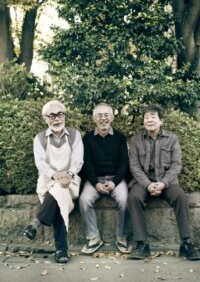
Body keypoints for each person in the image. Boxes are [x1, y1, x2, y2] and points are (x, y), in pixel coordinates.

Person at [128, 104, 200, 260]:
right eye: (147, 117)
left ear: (161, 121)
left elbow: (176, 164)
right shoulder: (135, 141)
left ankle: (186, 243)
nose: (149, 120)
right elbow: (134, 167)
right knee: (134, 197)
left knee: (180, 196)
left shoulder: (172, 139)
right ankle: (141, 244)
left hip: (167, 181)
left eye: (153, 117)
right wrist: (148, 184)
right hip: (143, 181)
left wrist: (163, 183)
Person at [24, 100, 83, 263]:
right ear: (45, 119)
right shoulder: (40, 138)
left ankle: (37, 222)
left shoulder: (75, 135)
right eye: (52, 116)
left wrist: (69, 174)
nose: (57, 119)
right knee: (59, 196)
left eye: (60, 114)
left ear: (64, 116)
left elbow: (78, 160)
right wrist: (56, 176)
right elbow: (40, 163)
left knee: (61, 192)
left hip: (70, 182)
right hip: (48, 182)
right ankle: (61, 250)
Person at [79, 103, 130, 254]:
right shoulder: (87, 139)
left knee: (124, 200)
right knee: (84, 200)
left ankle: (121, 237)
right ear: (94, 118)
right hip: (95, 179)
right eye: (99, 115)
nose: (103, 118)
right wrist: (95, 183)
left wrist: (114, 182)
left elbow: (124, 163)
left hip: (116, 179)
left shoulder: (120, 137)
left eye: (106, 115)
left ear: (112, 117)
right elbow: (86, 164)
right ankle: (94, 237)